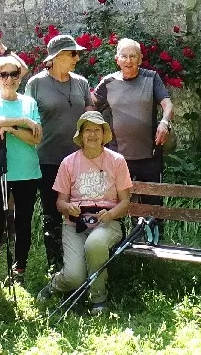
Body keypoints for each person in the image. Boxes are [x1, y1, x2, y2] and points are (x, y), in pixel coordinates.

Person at [40, 111, 133, 313]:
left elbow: (125, 202)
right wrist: (67, 207)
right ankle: (55, 284)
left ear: (104, 134)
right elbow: (60, 203)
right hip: (75, 224)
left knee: (95, 243)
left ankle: (98, 297)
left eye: (97, 130)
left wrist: (110, 214)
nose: (92, 135)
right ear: (80, 135)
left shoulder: (117, 161)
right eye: (88, 130)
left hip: (108, 222)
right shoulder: (68, 163)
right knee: (74, 277)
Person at [93, 38, 173, 240]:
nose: (129, 60)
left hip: (150, 155)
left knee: (152, 205)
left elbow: (168, 105)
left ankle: (155, 245)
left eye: (133, 56)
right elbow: (90, 104)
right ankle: (121, 244)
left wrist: (165, 122)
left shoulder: (151, 78)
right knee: (119, 202)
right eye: (124, 56)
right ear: (117, 59)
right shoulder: (109, 83)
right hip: (119, 157)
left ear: (140, 59)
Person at [25, 34, 93, 271]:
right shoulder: (36, 84)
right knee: (52, 213)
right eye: (72, 53)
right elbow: (28, 119)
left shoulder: (81, 83)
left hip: (79, 159)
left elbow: (90, 115)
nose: (77, 58)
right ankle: (56, 264)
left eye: (77, 53)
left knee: (81, 209)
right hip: (48, 160)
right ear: (55, 58)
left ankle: (81, 261)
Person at [0, 56, 42, 278]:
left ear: (19, 77)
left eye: (13, 74)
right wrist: (24, 123)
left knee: (23, 221)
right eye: (3, 75)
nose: (9, 79)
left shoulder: (29, 102)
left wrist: (10, 128)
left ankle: (20, 267)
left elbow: (36, 139)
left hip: (26, 171)